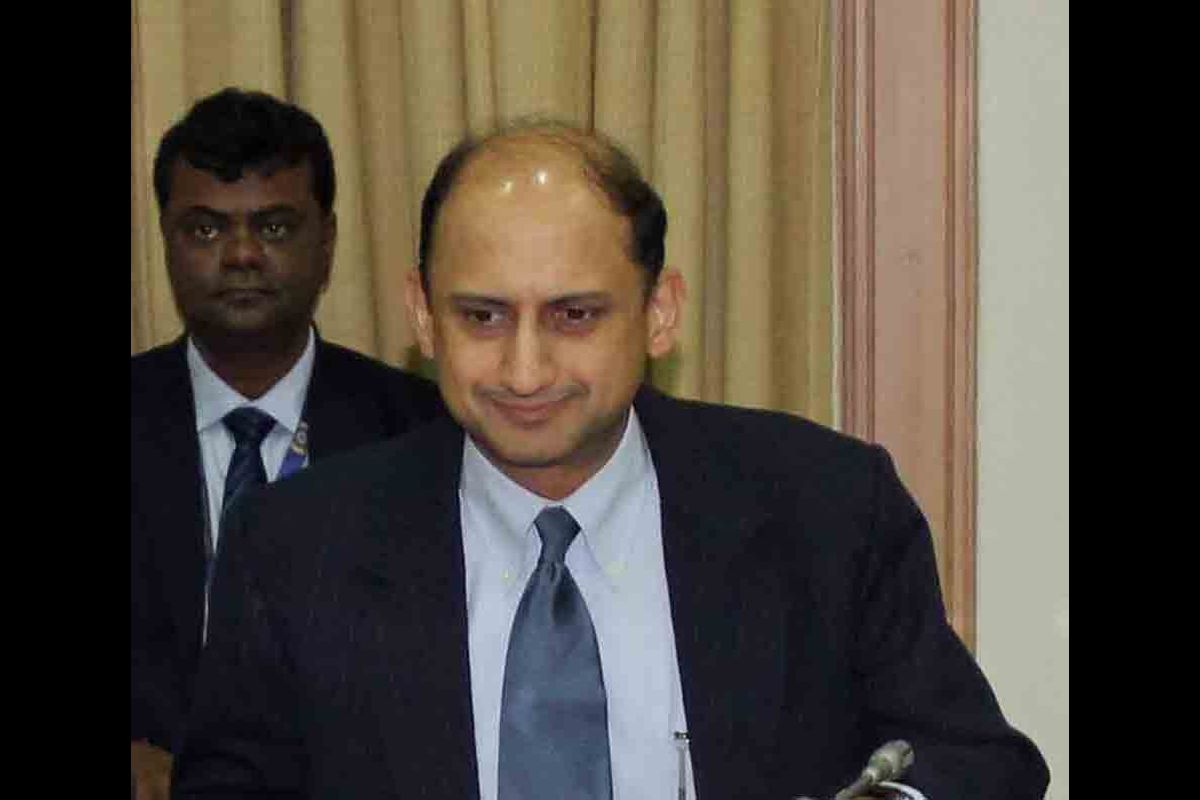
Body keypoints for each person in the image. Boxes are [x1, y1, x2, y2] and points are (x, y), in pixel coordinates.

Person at [173, 121, 1049, 799]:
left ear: (659, 312)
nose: (524, 371)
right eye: (482, 316)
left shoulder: (828, 508)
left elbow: (979, 765)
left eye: (574, 316)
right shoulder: (296, 547)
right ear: (423, 316)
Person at [130, 88, 443, 799]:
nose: (241, 255)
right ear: (166, 241)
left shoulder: (421, 431)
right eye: (205, 230)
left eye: (273, 227)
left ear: (326, 243)